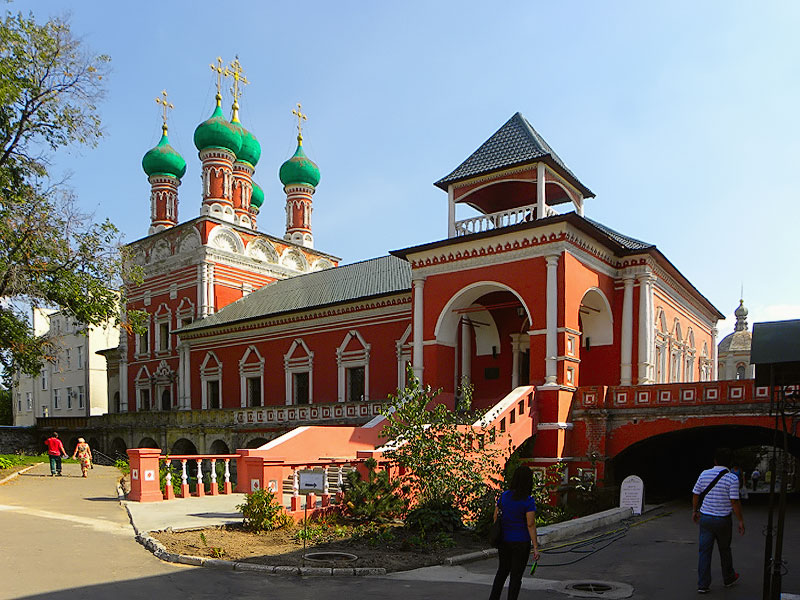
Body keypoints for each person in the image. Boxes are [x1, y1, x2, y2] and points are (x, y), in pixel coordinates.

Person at [692, 448, 745, 594]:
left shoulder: (704, 474)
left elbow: (696, 494)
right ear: (729, 463)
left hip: (706, 519)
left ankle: (703, 585)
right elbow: (734, 501)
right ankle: (728, 578)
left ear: (715, 461)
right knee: (725, 550)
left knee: (704, 552)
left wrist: (695, 511)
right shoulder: (732, 478)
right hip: (723, 520)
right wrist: (740, 520)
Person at [489, 465, 540, 600]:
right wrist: (535, 546)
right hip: (521, 542)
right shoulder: (528, 500)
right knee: (516, 576)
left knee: (502, 572)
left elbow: (495, 517)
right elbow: (530, 524)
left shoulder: (504, 496)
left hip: (504, 540)